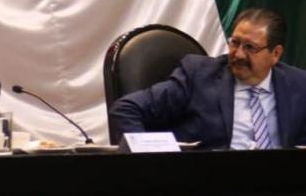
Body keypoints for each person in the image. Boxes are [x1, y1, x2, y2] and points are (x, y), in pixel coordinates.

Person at [110, 8, 306, 149]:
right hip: (207, 185)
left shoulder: (299, 85)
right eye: (235, 43)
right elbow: (126, 108)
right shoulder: (199, 75)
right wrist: (149, 159)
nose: (239, 54)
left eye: (250, 47)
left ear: (275, 54)